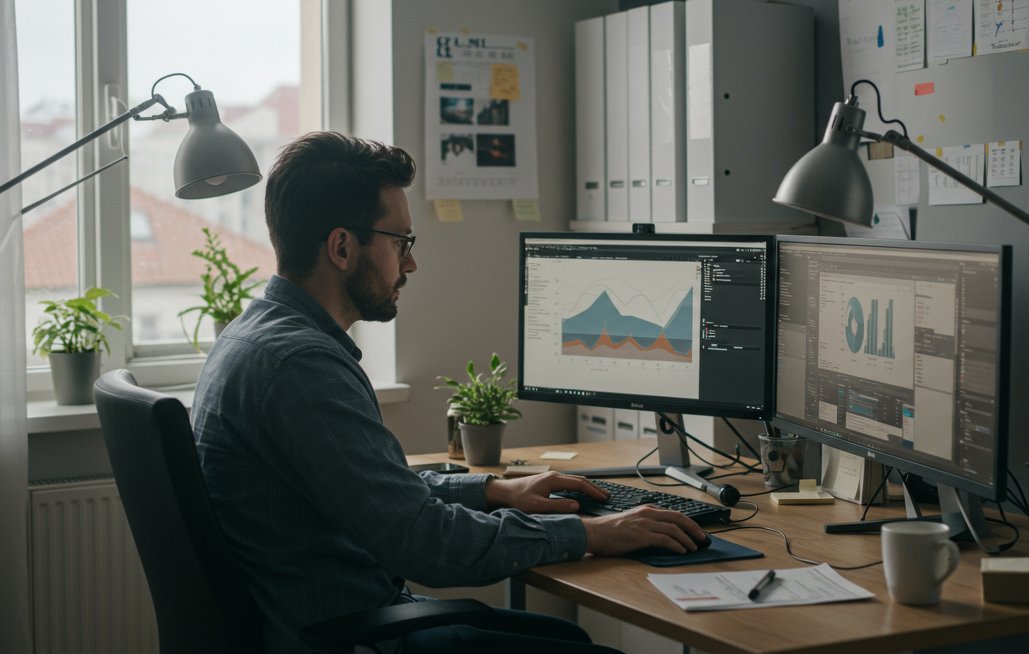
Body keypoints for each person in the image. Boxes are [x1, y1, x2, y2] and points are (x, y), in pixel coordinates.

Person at [191, 131, 707, 653]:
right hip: (347, 636)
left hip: (336, 617)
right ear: (343, 247)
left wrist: (492, 490)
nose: (410, 265)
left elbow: (377, 494)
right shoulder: (300, 367)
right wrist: (594, 534)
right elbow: (425, 545)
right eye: (401, 242)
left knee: (563, 636)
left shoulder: (257, 335)